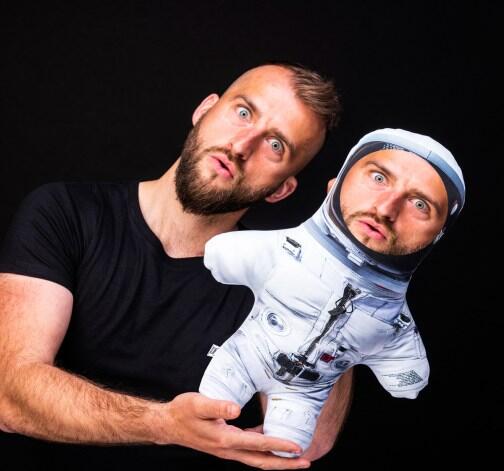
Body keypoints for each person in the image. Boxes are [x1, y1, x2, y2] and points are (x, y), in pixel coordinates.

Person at [0, 63, 354, 469]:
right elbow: (9, 393)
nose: (242, 146)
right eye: (243, 113)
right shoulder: (65, 213)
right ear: (205, 109)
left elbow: (306, 440)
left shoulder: (279, 286)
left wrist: (341, 258)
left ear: (281, 190)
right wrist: (163, 424)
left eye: (276, 145)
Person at [199, 128, 465, 455]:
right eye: (379, 178)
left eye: (420, 204)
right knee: (208, 407)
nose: (386, 209)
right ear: (335, 185)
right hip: (241, 358)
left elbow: (408, 379)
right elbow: (223, 255)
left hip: (306, 397)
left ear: (437, 235)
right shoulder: (282, 249)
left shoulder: (394, 319)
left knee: (289, 447)